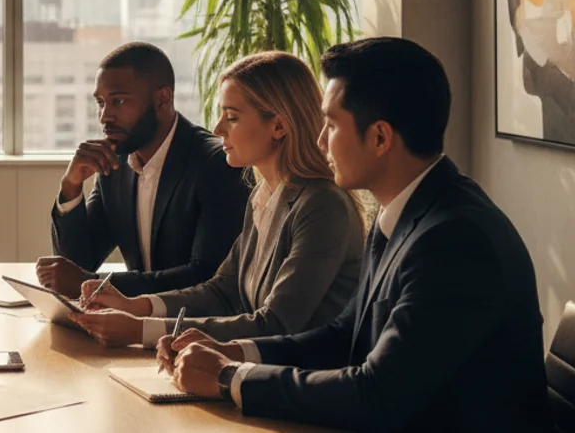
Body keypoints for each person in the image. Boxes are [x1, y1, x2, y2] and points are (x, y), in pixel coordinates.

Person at [159, 38, 551, 432]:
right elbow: (344, 335)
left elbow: (377, 394)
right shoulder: (407, 211)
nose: (318, 141)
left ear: (380, 138)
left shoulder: (455, 240)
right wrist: (234, 352)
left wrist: (230, 377)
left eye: (330, 125)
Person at [71, 52, 363, 348]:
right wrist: (136, 307)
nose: (218, 129)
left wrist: (141, 331)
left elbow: (275, 324)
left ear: (278, 126)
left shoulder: (322, 205)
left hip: (300, 381)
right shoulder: (263, 196)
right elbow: (223, 291)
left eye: (232, 117)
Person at [37, 41, 249, 298]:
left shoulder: (216, 163)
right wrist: (70, 187)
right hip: (131, 325)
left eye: (119, 101)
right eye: (101, 102)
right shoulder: (114, 166)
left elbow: (206, 275)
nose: (105, 116)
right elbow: (77, 268)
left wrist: (97, 285)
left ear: (162, 99)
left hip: (195, 330)